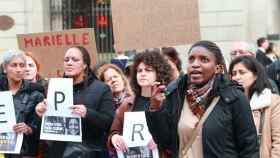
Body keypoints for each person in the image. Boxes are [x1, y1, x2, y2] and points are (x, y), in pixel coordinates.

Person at [145, 40, 259, 158]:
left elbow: (249, 147)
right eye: (191, 59)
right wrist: (155, 108)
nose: (195, 64)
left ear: (218, 68)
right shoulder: (176, 94)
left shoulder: (234, 97)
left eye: (204, 59)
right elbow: (164, 142)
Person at [35, 46, 115, 158]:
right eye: (66, 60)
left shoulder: (102, 89)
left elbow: (109, 121)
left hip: (89, 152)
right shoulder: (54, 87)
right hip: (57, 152)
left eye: (75, 60)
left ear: (85, 65)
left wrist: (87, 113)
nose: (69, 63)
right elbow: (44, 129)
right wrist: (40, 114)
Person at [107, 50, 172, 157]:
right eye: (139, 71)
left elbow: (175, 138)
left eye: (148, 70)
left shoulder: (169, 101)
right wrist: (114, 138)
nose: (142, 74)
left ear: (159, 73)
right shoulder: (127, 103)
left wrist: (159, 142)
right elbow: (113, 132)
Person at [229, 56, 280, 158]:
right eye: (233, 74)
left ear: (256, 75)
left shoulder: (271, 101)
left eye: (242, 72)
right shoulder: (228, 102)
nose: (236, 77)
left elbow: (278, 141)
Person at [0, 50, 45, 158]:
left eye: (22, 65)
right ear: (5, 68)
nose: (19, 69)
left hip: (26, 152)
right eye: (14, 65)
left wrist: (29, 128)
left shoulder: (36, 94)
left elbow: (41, 127)